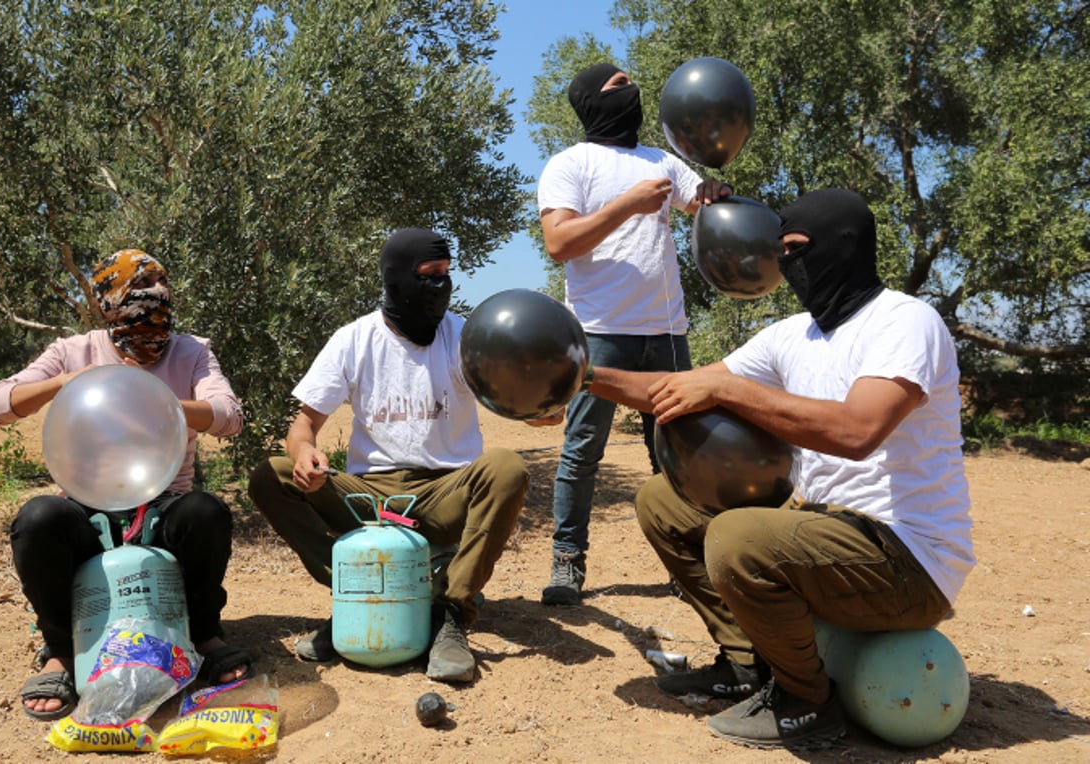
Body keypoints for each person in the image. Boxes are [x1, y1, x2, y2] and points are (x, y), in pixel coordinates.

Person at [586, 189, 975, 749]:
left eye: (798, 248)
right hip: (827, 534)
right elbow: (680, 389)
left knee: (737, 537)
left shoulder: (904, 322)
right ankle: (747, 665)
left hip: (909, 559)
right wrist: (579, 372)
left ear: (844, 246)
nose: (788, 264)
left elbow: (856, 431)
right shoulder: (793, 334)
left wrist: (731, 389)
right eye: (782, 250)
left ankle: (806, 705)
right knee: (662, 501)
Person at [248, 227, 538, 684]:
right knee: (271, 475)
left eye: (446, 274)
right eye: (428, 275)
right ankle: (354, 593)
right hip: (368, 497)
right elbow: (303, 424)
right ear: (396, 277)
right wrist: (304, 453)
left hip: (446, 490)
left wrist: (541, 407)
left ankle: (450, 613)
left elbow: (517, 399)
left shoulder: (465, 336)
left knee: (508, 468)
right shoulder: (353, 339)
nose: (440, 286)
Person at [0, 249, 251, 722]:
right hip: (85, 508)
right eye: (134, 309)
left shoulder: (192, 352)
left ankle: (205, 633)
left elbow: (230, 417)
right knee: (39, 518)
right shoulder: (73, 352)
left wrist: (158, 401)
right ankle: (61, 649)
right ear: (105, 308)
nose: (148, 323)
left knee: (206, 512)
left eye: (157, 308)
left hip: (164, 505)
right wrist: (66, 382)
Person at [536, 62, 732, 606]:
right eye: (619, 85)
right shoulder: (569, 164)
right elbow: (559, 243)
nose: (633, 90)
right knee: (581, 452)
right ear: (591, 101)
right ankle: (567, 564)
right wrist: (628, 204)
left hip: (667, 333)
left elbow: (701, 202)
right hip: (598, 334)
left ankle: (685, 563)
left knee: (674, 454)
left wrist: (711, 192)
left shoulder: (662, 160)